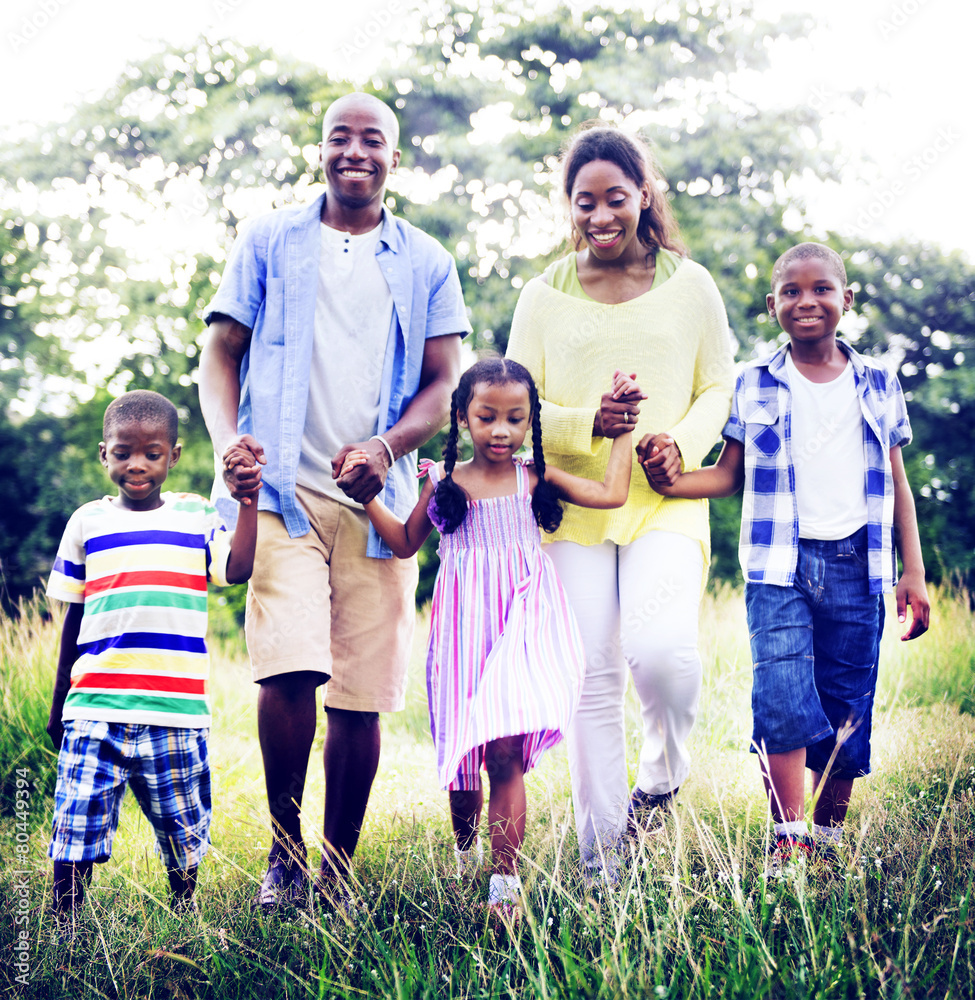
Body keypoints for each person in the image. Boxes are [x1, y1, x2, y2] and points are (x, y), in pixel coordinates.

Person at [197, 92, 469, 909]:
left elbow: (445, 382)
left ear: (394, 156)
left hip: (375, 500)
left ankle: (338, 869)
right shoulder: (269, 239)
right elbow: (220, 353)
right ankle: (283, 857)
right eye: (339, 138)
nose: (355, 151)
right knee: (290, 668)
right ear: (320, 150)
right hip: (277, 493)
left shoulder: (425, 261)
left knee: (360, 691)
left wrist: (386, 448)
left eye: (372, 140)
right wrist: (225, 447)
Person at [647, 242, 930, 868]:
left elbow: (898, 482)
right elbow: (727, 476)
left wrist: (912, 571)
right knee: (780, 693)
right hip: (779, 565)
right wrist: (670, 479)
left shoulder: (880, 383)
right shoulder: (753, 383)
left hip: (860, 565)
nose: (808, 302)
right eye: (793, 292)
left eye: (823, 289)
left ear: (846, 299)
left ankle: (827, 838)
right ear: (773, 305)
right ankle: (789, 834)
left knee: (847, 698)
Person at [505, 123, 734, 883]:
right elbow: (513, 405)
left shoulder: (690, 285)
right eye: (583, 203)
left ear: (643, 196)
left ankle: (661, 776)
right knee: (591, 678)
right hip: (571, 509)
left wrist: (679, 441)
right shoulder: (541, 296)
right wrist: (582, 425)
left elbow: (718, 387)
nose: (600, 216)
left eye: (614, 198)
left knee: (661, 654)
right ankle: (602, 861)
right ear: (567, 208)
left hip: (663, 504)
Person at [339, 357, 637, 913]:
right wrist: (367, 500)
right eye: (487, 417)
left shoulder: (534, 477)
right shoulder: (445, 483)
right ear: (463, 417)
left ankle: (504, 886)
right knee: (465, 751)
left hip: (523, 619)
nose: (501, 430)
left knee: (503, 750)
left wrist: (620, 433)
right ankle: (466, 853)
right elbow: (405, 542)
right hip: (461, 626)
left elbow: (611, 494)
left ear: (531, 422)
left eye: (515, 418)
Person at [45, 390, 259, 927]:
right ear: (103, 454)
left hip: (175, 711)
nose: (136, 465)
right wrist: (58, 705)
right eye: (123, 453)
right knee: (76, 822)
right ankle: (65, 917)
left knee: (182, 827)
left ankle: (183, 909)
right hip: (95, 705)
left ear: (174, 456)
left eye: (152, 453)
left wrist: (249, 505)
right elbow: (72, 616)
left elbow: (235, 571)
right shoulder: (86, 522)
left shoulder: (196, 515)